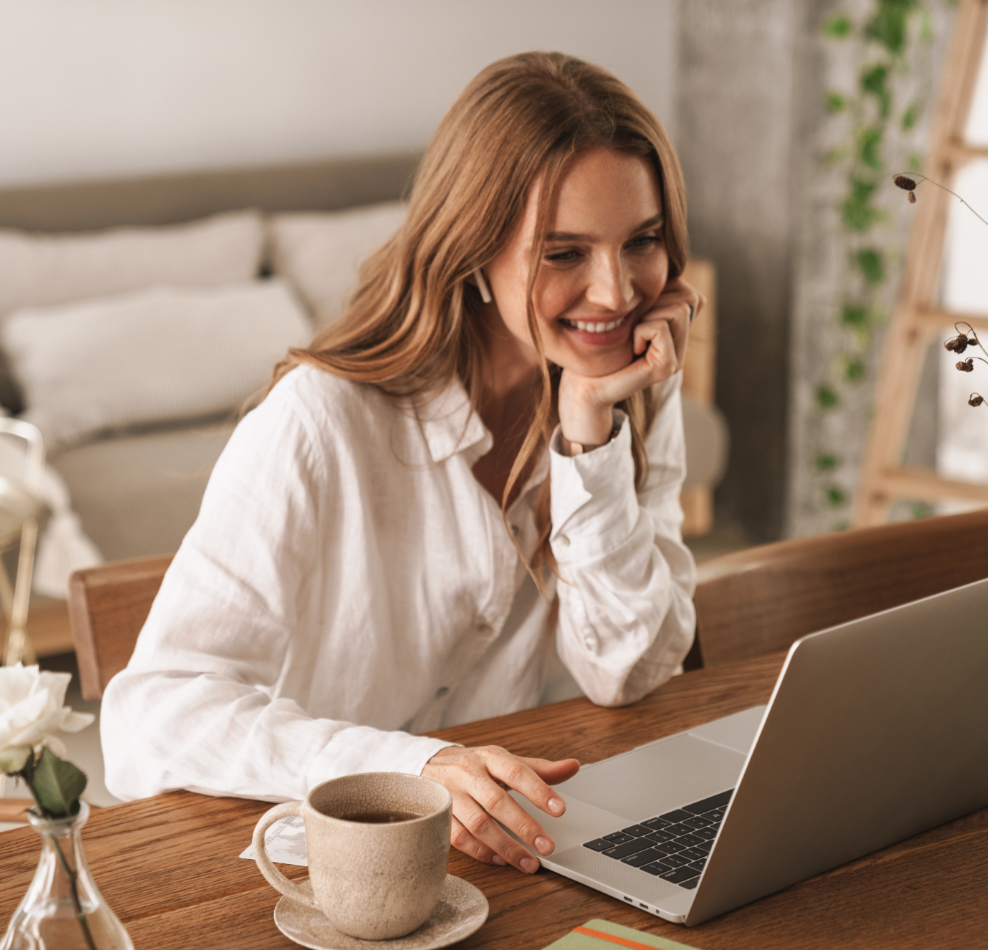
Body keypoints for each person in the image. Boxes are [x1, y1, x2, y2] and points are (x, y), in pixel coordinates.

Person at [101, 51, 701, 876]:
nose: (616, 293)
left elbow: (626, 672)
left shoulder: (627, 394)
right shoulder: (320, 422)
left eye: (642, 242)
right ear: (472, 248)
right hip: (316, 881)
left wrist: (589, 442)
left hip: (521, 858)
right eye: (564, 253)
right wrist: (412, 767)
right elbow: (149, 717)